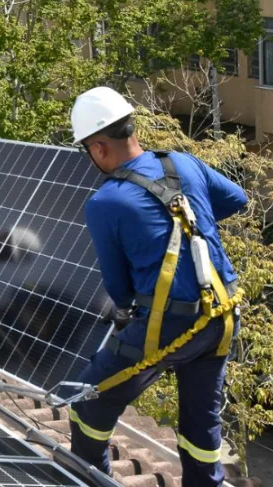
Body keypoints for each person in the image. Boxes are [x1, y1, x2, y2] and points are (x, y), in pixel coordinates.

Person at [67, 87, 248, 487]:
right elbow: (238, 198)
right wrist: (192, 219)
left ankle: (91, 480)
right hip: (224, 315)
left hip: (172, 325)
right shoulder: (182, 162)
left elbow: (121, 294)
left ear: (98, 148)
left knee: (85, 405)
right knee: (201, 429)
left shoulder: (106, 201)